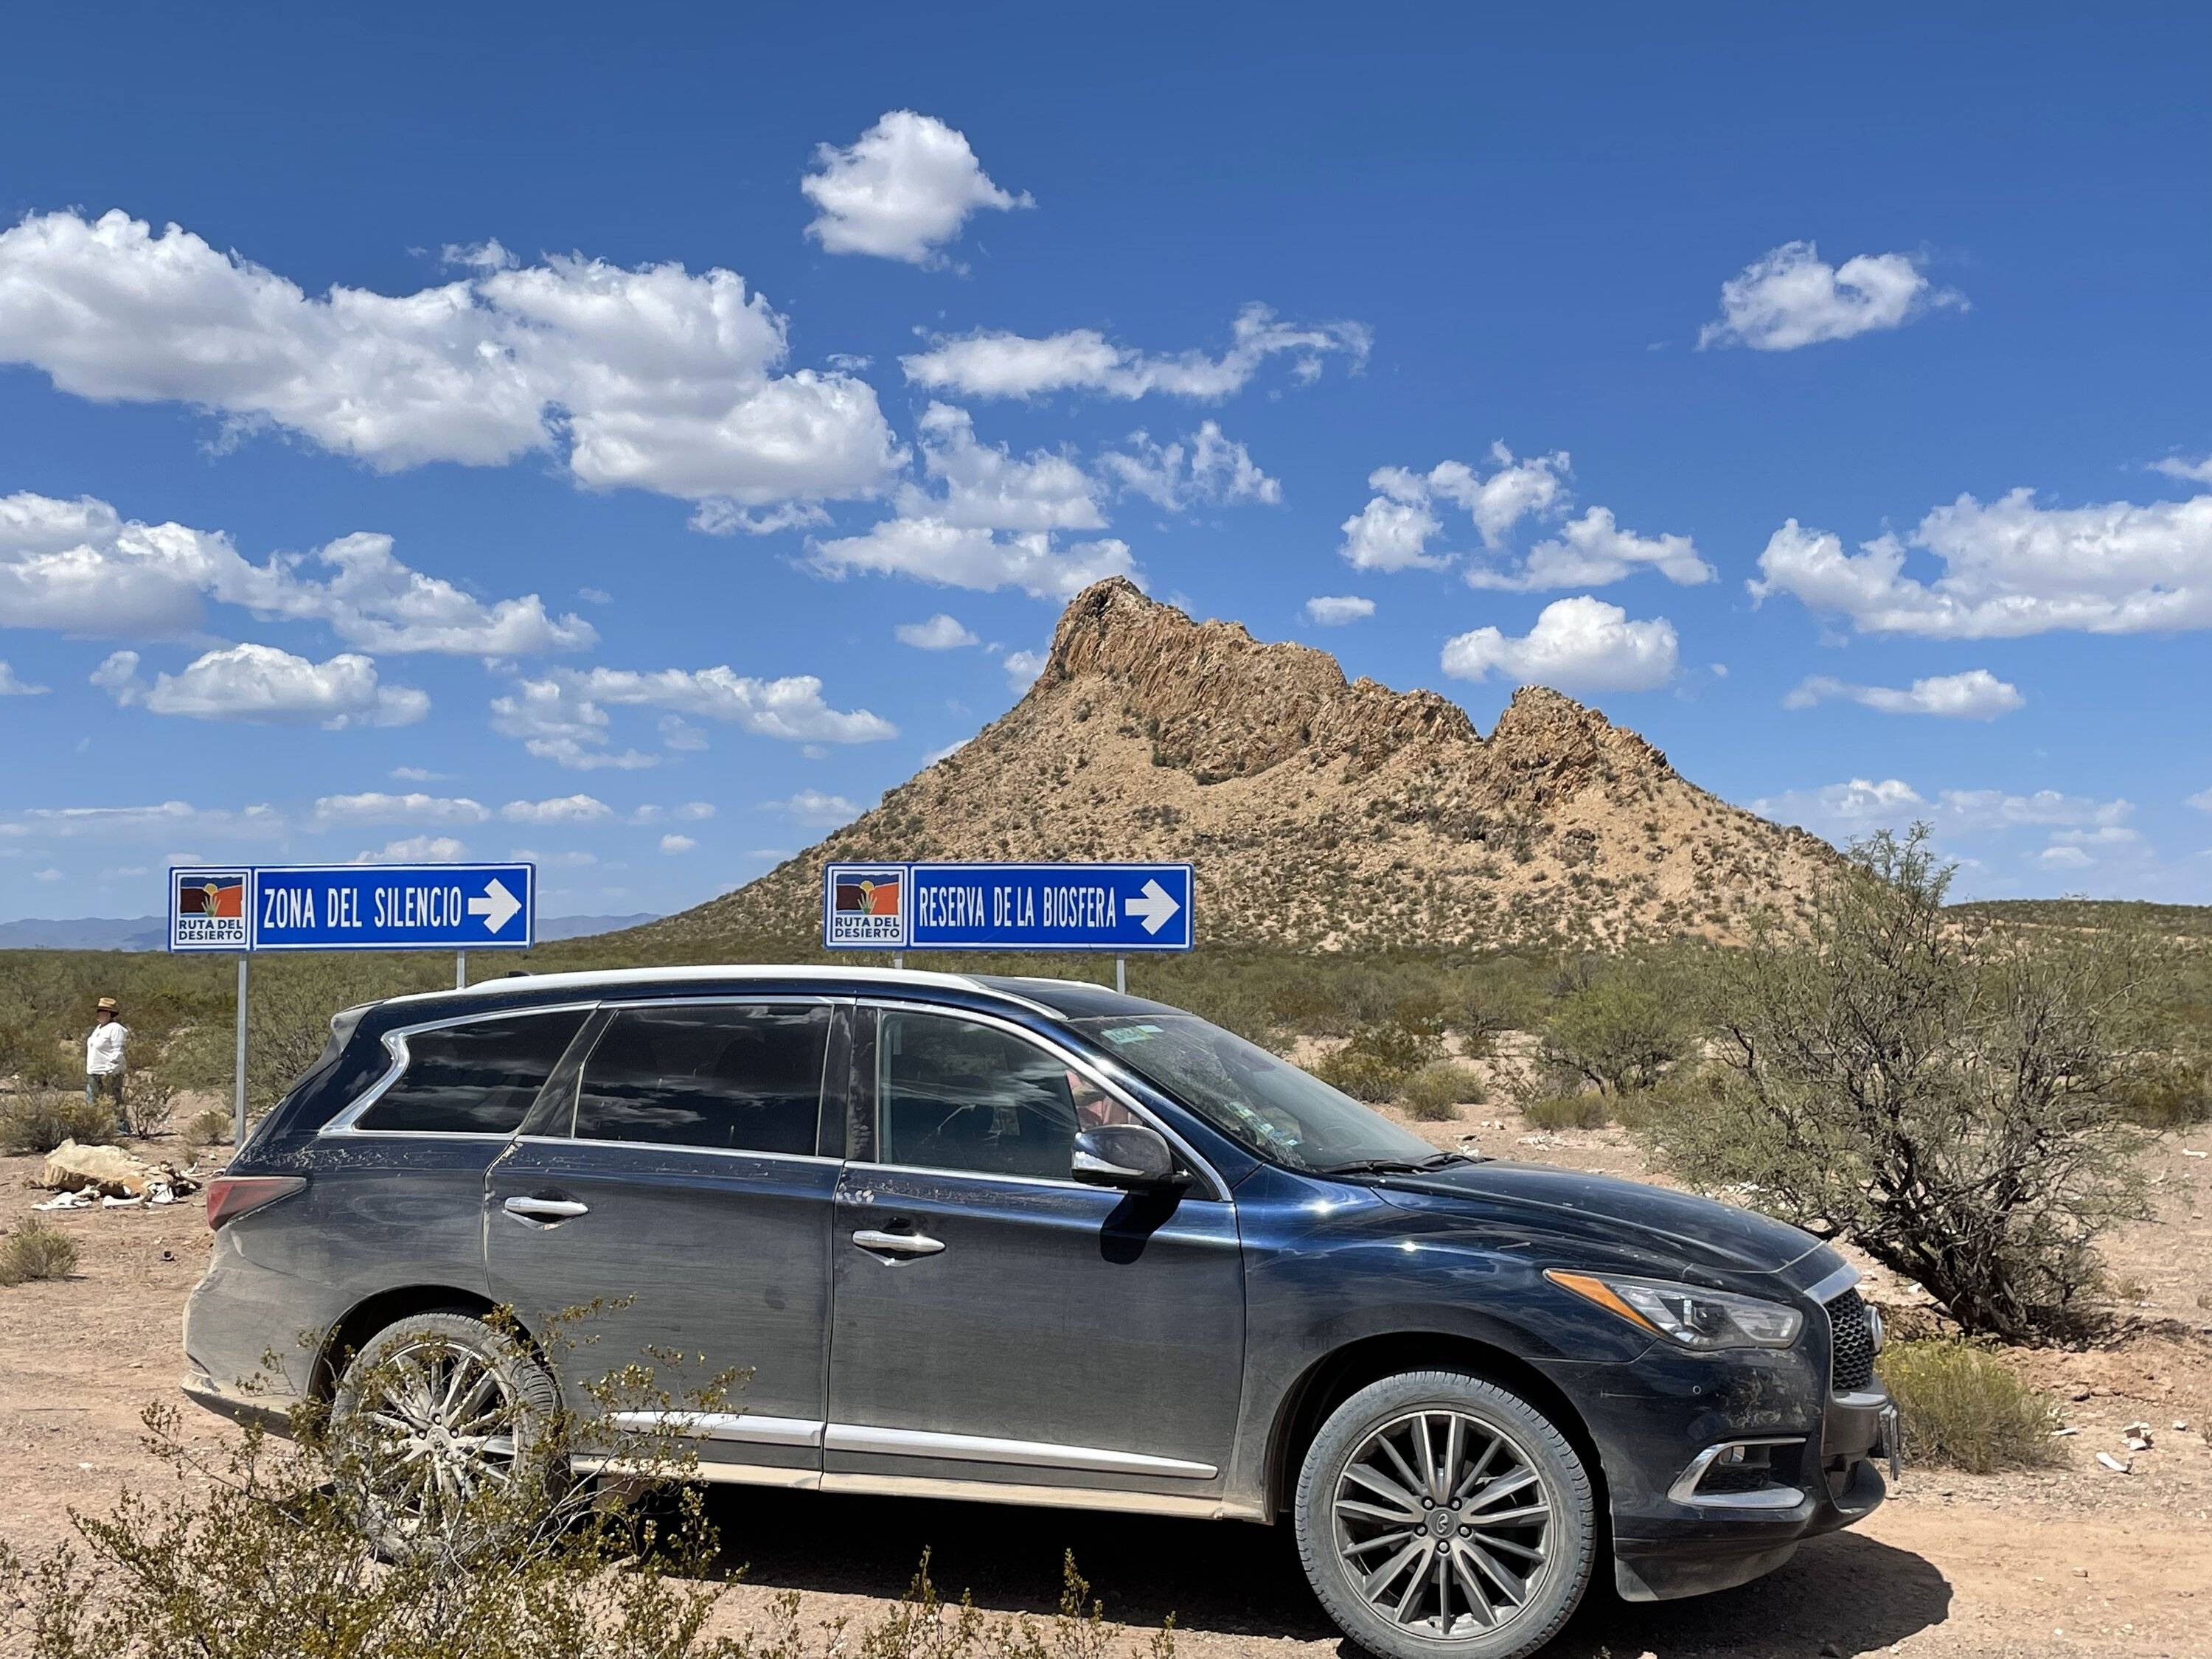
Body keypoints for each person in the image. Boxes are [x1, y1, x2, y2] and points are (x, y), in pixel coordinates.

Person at [85, 996, 129, 1136]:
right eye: (99, 1012)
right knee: (92, 1099)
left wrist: (111, 1069)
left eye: (103, 1012)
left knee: (114, 1099)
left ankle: (122, 1128)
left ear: (109, 1014)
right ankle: (94, 1128)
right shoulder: (98, 1029)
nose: (99, 1015)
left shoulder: (115, 1029)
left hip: (108, 1071)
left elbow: (118, 1051)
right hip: (94, 1070)